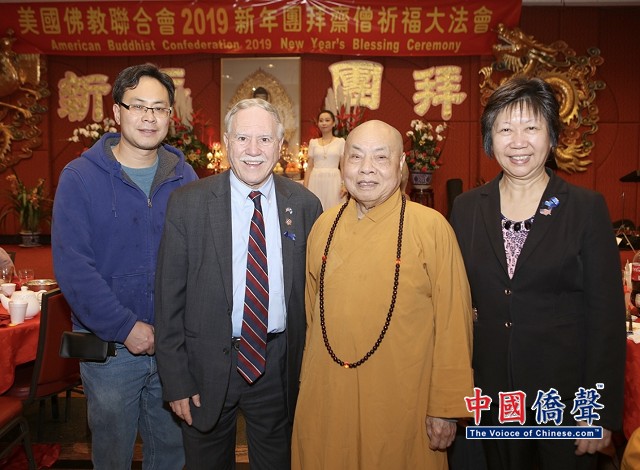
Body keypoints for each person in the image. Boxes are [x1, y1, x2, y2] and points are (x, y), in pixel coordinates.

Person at [450, 76, 625, 470]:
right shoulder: (467, 209)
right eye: (505, 129)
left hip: (565, 401)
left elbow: (606, 319)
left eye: (531, 128)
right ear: (489, 138)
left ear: (552, 136)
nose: (518, 142)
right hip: (494, 399)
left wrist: (597, 411)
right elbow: (453, 305)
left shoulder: (585, 208)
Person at [291, 119, 475, 469]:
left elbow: (454, 323)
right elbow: (312, 318)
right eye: (356, 156)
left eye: (380, 157)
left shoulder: (432, 228)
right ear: (342, 163)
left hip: (403, 401)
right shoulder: (323, 227)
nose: (366, 169)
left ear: (401, 164)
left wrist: (446, 407)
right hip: (328, 395)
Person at [154, 98, 322, 469]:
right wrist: (176, 381)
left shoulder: (305, 205)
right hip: (205, 365)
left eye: (264, 139)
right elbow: (168, 301)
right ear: (227, 142)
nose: (253, 150)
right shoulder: (188, 204)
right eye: (243, 138)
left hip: (278, 364)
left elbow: (315, 297)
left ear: (281, 145)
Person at [52, 63, 198, 469]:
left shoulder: (184, 176)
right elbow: (74, 268)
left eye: (159, 108)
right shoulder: (81, 177)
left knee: (171, 454)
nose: (149, 117)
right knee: (112, 457)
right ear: (117, 112)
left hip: (171, 349)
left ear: (170, 115)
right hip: (112, 351)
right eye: (138, 106)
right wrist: (125, 327)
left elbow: (200, 259)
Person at [303, 110, 346, 210]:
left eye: (327, 120)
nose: (324, 123)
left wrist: (344, 185)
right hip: (315, 180)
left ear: (333, 123)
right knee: (316, 210)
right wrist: (305, 187)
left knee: (334, 211)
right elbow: (309, 167)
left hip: (334, 180)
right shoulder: (313, 142)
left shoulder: (340, 142)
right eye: (321, 120)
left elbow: (343, 166)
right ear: (318, 124)